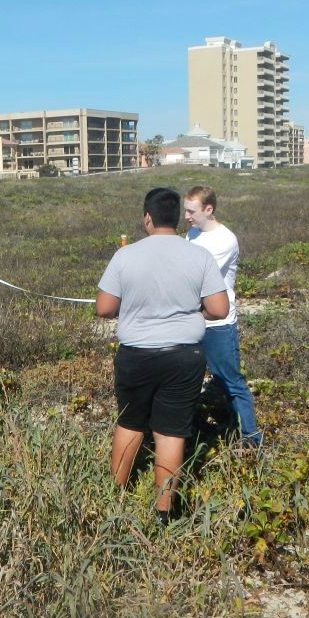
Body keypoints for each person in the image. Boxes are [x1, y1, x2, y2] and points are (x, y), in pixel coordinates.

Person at [96, 188, 228, 524]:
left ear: (147, 218)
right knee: (171, 432)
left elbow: (104, 308)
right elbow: (219, 308)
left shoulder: (125, 255)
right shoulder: (198, 256)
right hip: (184, 356)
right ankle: (164, 513)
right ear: (177, 218)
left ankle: (114, 500)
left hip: (136, 355)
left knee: (130, 424)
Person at [183, 185, 262, 447]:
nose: (187, 216)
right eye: (185, 210)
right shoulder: (192, 234)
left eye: (191, 211)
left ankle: (251, 440)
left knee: (231, 381)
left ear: (209, 209)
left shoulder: (225, 240)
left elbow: (196, 278)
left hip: (217, 323)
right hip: (191, 319)